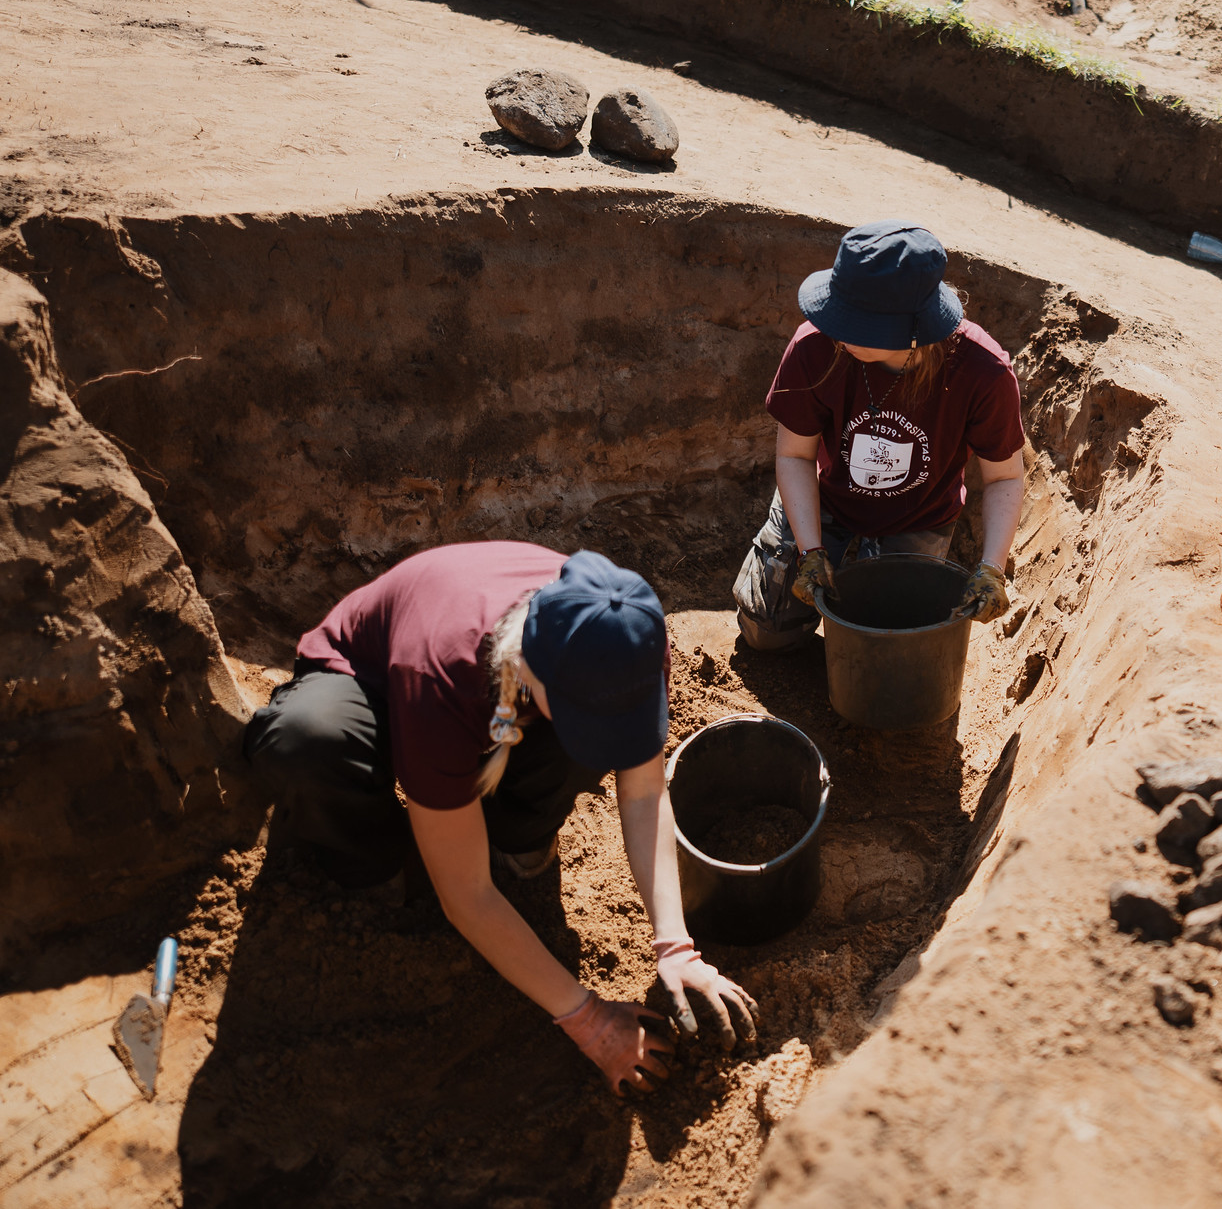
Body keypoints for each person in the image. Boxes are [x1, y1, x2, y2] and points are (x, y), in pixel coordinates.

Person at [245, 543, 759, 1095]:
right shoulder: (440, 674)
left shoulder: (625, 637)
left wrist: (675, 946)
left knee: (575, 744)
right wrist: (587, 1020)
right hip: (374, 686)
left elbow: (642, 793)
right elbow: (466, 895)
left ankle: (517, 833)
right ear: (532, 670)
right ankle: (374, 859)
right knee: (306, 743)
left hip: (497, 698)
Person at [734, 220, 1028, 650]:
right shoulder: (815, 346)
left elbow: (1004, 477)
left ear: (912, 330)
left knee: (889, 643)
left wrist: (991, 569)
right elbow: (795, 455)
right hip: (826, 498)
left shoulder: (982, 371)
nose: (836, 330)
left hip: (920, 515)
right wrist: (810, 552)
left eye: (855, 325)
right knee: (766, 635)